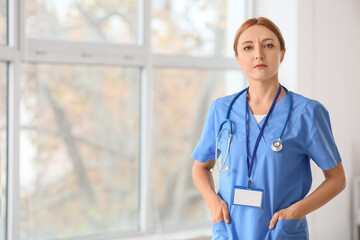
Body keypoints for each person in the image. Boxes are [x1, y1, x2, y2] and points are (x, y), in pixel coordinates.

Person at [191, 17, 346, 240]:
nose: (258, 54)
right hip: (230, 230)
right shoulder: (221, 110)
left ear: (282, 53)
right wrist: (213, 202)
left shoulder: (307, 113)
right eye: (248, 47)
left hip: (281, 232)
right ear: (238, 58)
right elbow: (200, 168)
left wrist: (296, 211)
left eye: (268, 45)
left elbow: (337, 179)